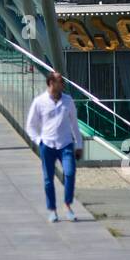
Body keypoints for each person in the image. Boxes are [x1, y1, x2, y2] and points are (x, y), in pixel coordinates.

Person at [25, 72, 83, 222]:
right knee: (48, 179)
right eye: (60, 81)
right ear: (51, 83)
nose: (63, 84)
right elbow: (30, 125)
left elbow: (74, 124)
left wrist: (79, 144)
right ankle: (52, 209)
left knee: (69, 173)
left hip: (65, 144)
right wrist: (39, 141)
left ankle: (67, 204)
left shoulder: (68, 101)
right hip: (48, 145)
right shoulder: (39, 101)